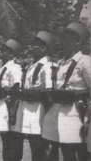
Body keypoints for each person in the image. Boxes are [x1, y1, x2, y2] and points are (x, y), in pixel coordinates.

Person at [42, 22, 90, 161]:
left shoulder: (84, 62)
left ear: (78, 41)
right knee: (59, 151)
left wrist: (89, 120)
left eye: (66, 37)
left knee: (74, 154)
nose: (62, 41)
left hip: (75, 114)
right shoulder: (61, 63)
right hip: (57, 112)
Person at [11, 31, 57, 161]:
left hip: (38, 109)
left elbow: (48, 91)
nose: (30, 47)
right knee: (20, 142)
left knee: (37, 145)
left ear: (43, 48)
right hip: (25, 108)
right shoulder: (31, 65)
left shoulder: (46, 66)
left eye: (35, 45)